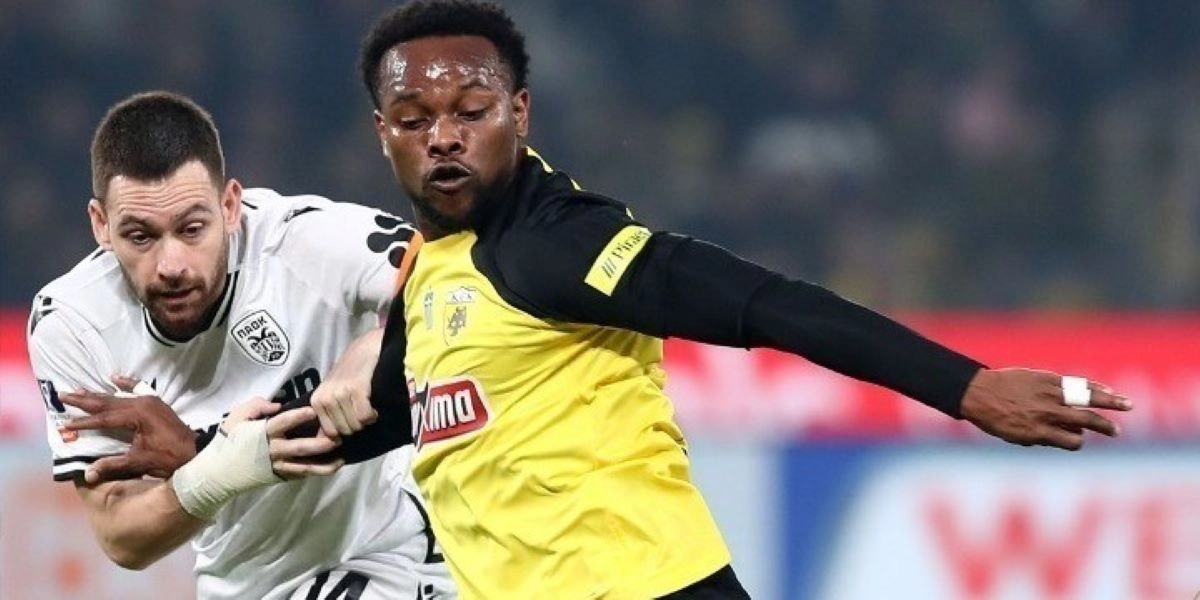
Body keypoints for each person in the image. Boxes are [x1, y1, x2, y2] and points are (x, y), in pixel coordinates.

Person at [283, 1, 1136, 598]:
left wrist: (969, 387)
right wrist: (227, 452)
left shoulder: (561, 243)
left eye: (472, 110)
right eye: (414, 118)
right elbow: (392, 414)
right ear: (382, 132)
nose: (444, 137)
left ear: (521, 111)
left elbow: (766, 303)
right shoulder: (432, 267)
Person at [26, 91, 455, 600]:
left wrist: (381, 341)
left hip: (391, 543)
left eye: (192, 229)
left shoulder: (306, 240)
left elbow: (462, 282)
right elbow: (122, 537)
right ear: (101, 225)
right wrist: (221, 470)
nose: (171, 265)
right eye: (141, 237)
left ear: (230, 205)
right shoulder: (71, 324)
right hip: (245, 580)